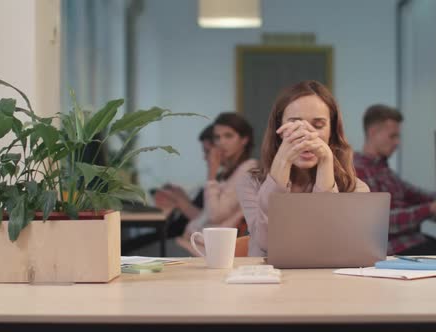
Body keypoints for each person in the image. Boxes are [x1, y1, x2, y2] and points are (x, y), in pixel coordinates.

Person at [236, 80, 370, 257]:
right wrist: (282, 161)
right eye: (295, 124)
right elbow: (268, 243)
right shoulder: (251, 182)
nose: (306, 136)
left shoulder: (355, 188)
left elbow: (328, 245)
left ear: (332, 132)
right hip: (267, 280)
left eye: (318, 125)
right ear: (279, 130)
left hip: (327, 281)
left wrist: (325, 163)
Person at [353, 104, 436, 255]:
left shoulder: (382, 168)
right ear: (372, 133)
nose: (397, 142)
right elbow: (379, 222)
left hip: (413, 241)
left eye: (398, 136)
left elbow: (413, 192)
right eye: (392, 136)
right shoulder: (359, 171)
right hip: (398, 250)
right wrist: (430, 208)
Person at [166, 113, 257, 254]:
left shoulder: (248, 169)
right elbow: (207, 214)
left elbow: (215, 215)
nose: (221, 142)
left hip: (201, 250)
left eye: (228, 136)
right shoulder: (229, 172)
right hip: (191, 242)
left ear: (244, 139)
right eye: (217, 137)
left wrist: (211, 173)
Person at [154, 124, 214, 238]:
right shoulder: (217, 178)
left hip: (182, 237)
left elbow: (206, 219)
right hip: (180, 233)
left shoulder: (220, 182)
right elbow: (202, 211)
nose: (204, 157)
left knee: (127, 247)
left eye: (207, 151)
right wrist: (181, 196)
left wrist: (178, 200)